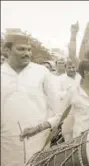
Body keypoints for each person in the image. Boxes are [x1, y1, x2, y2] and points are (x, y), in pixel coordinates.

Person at [21, 60, 89, 142]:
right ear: (87, 72)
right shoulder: (73, 91)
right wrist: (36, 129)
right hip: (79, 138)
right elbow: (59, 116)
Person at [1, 32, 58, 166]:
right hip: (7, 146)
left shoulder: (42, 72)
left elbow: (58, 110)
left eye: (29, 49)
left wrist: (40, 128)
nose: (27, 53)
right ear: (7, 51)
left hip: (38, 142)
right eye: (21, 49)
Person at [58, 59, 82, 142]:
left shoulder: (81, 77)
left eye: (73, 67)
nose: (72, 69)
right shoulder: (60, 79)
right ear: (65, 68)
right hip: (67, 110)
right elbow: (56, 94)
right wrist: (68, 93)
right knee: (67, 133)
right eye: (69, 68)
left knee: (79, 133)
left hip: (80, 109)